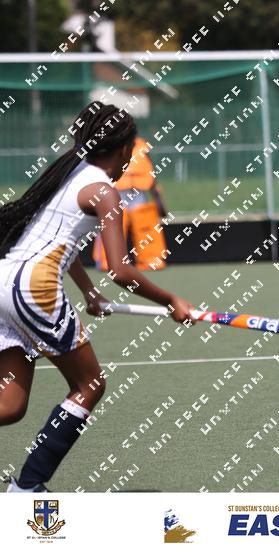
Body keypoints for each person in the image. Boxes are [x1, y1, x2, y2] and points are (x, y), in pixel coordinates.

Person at [0, 102, 193, 492]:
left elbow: (57, 242)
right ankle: (28, 487)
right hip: (33, 291)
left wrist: (89, 292)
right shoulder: (105, 192)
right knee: (89, 384)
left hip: (3, 280)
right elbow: (120, 270)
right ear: (122, 149)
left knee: (10, 405)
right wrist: (170, 300)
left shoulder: (66, 174)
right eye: (131, 151)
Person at [92, 136, 169, 271]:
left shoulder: (141, 146)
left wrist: (157, 196)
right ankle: (107, 260)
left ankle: (151, 258)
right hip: (115, 193)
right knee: (113, 226)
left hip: (139, 193)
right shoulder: (108, 146)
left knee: (145, 226)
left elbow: (150, 172)